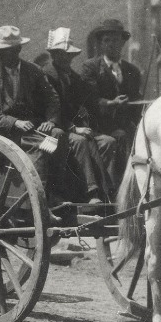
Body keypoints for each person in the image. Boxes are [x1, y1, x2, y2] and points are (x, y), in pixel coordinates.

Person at [0, 25, 64, 204]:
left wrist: (51, 121)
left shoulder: (34, 71)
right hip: (9, 138)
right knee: (42, 145)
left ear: (18, 49)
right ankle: (40, 204)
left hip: (34, 131)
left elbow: (52, 99)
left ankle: (56, 193)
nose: (2, 55)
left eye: (7, 51)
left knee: (58, 136)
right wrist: (15, 122)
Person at [41, 27, 112, 204]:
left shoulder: (73, 77)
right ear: (54, 55)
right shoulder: (46, 76)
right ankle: (92, 193)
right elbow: (48, 110)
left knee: (108, 142)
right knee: (80, 140)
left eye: (70, 56)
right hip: (52, 129)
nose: (68, 59)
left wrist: (108, 103)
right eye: (63, 55)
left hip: (75, 128)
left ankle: (109, 191)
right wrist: (74, 128)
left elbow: (88, 99)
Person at [78, 18, 143, 198]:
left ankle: (138, 190)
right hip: (97, 128)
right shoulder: (90, 68)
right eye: (107, 40)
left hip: (124, 127)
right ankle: (112, 192)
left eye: (115, 40)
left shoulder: (132, 71)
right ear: (101, 44)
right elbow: (88, 101)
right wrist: (110, 103)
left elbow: (136, 104)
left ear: (122, 43)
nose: (111, 45)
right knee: (117, 140)